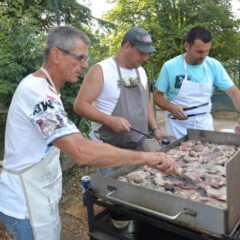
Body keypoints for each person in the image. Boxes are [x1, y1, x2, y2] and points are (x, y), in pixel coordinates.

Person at [0, 26, 176, 240]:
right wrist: (147, 157)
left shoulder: (46, 90)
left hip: (38, 195)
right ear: (57, 55)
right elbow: (81, 151)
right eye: (80, 58)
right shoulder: (38, 94)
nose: (85, 65)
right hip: (24, 204)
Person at [73, 26, 170, 175]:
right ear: (127, 46)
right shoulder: (101, 70)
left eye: (147, 54)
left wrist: (156, 129)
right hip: (108, 148)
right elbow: (80, 105)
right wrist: (109, 120)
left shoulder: (141, 71)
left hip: (137, 145)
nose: (145, 58)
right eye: (142, 53)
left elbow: (146, 101)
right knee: (117, 191)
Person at [153, 26, 240, 139]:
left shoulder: (213, 66)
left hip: (205, 129)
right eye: (199, 51)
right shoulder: (170, 67)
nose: (203, 56)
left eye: (207, 51)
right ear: (187, 46)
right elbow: (157, 96)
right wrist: (171, 107)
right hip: (177, 130)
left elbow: (234, 92)